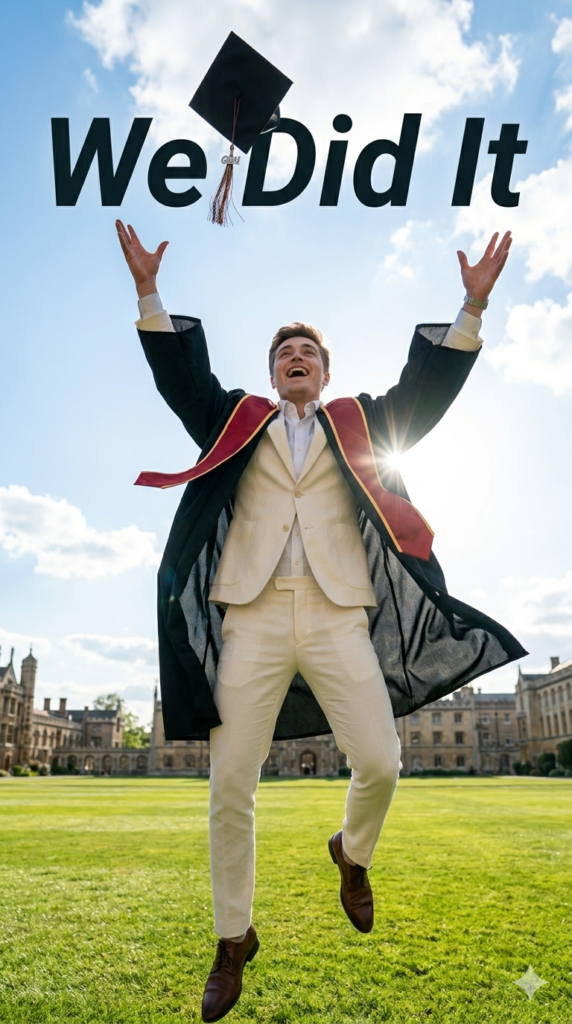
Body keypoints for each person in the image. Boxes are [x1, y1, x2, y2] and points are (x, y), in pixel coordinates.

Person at [116, 219, 524, 1022]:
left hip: (338, 614)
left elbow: (425, 395)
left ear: (326, 370)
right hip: (255, 618)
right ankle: (232, 938)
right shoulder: (237, 423)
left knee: (381, 760)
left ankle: (352, 850)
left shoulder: (356, 425)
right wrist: (148, 293)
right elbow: (180, 379)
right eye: (282, 354)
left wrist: (469, 309)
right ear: (272, 373)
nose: (294, 360)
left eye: (307, 353)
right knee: (230, 786)